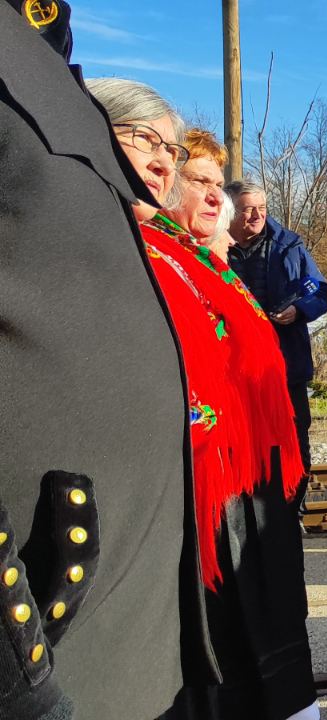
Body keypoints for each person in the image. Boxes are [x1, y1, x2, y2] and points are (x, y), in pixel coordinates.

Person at [89, 76, 318, 720]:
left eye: (221, 185)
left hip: (252, 479)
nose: (216, 196)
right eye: (204, 183)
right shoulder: (149, 251)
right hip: (202, 484)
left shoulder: (210, 264)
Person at [0, 7, 192, 718]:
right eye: (146, 139)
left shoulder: (42, 50)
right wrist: (16, 677)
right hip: (44, 663)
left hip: (134, 648)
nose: (162, 159)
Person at [222, 181, 327, 519]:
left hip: (286, 362)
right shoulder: (216, 244)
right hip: (233, 365)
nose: (256, 215)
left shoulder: (289, 245)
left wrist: (299, 311)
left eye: (261, 208)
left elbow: (319, 292)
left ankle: (292, 508)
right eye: (247, 209)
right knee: (243, 442)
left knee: (295, 439)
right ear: (231, 211)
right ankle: (246, 512)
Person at [170, 129, 229, 254]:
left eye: (219, 185)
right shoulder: (146, 254)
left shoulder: (196, 255)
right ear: (166, 181)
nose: (218, 198)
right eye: (200, 181)